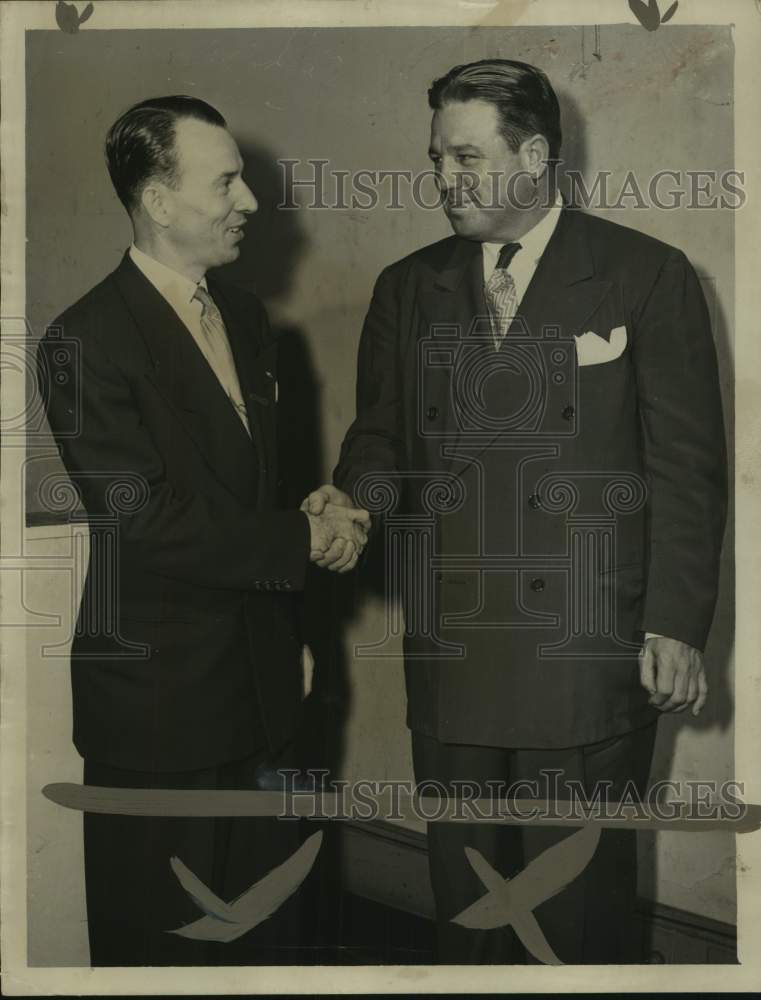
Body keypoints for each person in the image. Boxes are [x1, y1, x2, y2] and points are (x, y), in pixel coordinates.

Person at [307, 59, 728, 964]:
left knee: (576, 914)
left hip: (587, 655)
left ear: (534, 155)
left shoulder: (645, 274)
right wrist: (355, 503)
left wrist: (673, 625)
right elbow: (378, 441)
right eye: (435, 158)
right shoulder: (406, 286)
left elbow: (688, 470)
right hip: (455, 655)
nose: (442, 181)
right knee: (466, 908)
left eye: (466, 158)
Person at [37, 95, 369, 966]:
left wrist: (311, 508)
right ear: (155, 200)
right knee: (163, 950)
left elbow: (238, 486)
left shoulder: (248, 318)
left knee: (269, 936)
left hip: (261, 694)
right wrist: (297, 544)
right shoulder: (84, 339)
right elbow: (143, 516)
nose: (249, 200)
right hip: (156, 713)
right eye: (225, 180)